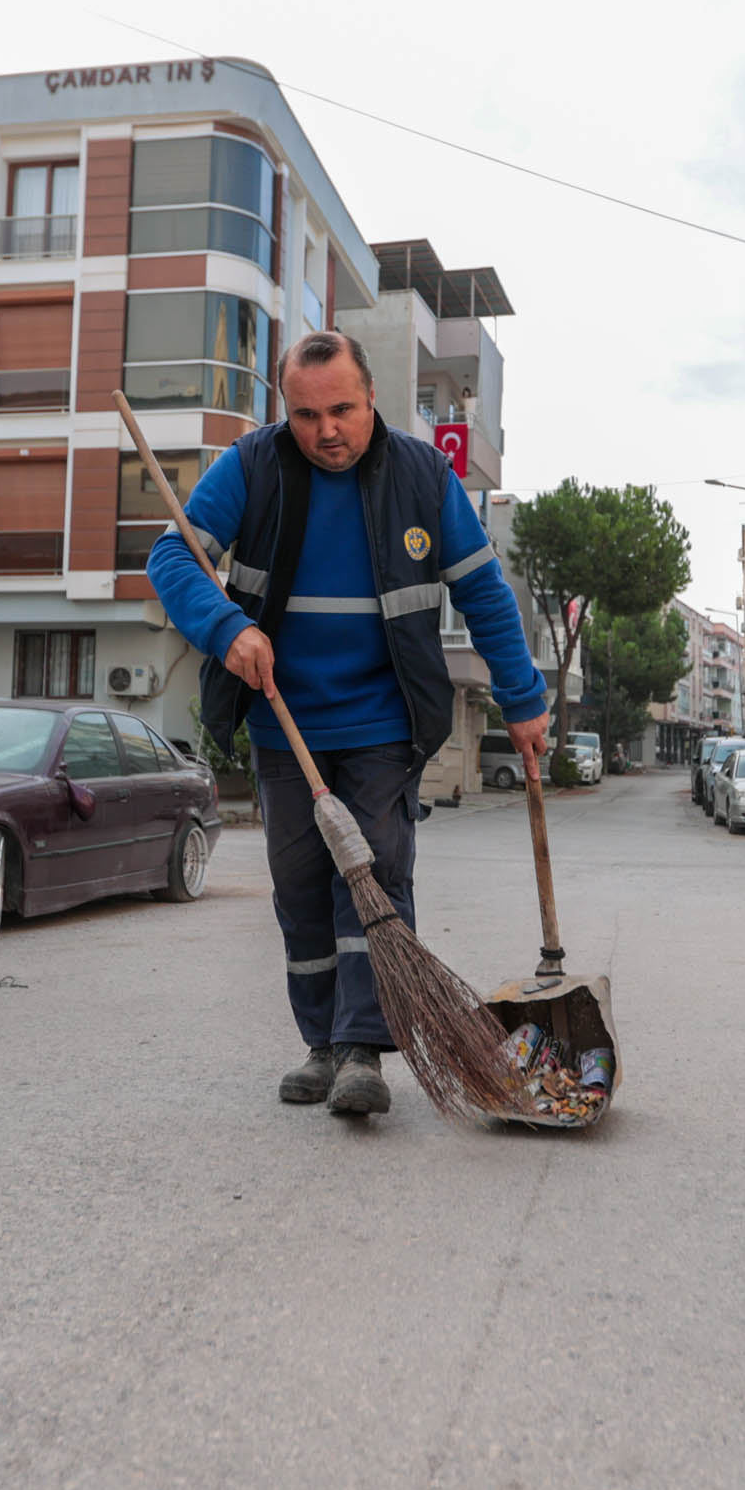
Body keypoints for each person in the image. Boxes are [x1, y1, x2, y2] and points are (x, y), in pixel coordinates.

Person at [149, 331, 552, 1118]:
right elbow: (173, 560)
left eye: (342, 409)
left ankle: (363, 1047)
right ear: (283, 410)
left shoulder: (421, 474)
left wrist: (525, 698)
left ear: (371, 399)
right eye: (305, 414)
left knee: (372, 879)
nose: (325, 430)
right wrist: (226, 629)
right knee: (300, 891)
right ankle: (321, 1044)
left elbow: (484, 593)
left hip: (383, 722)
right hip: (282, 721)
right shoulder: (250, 466)